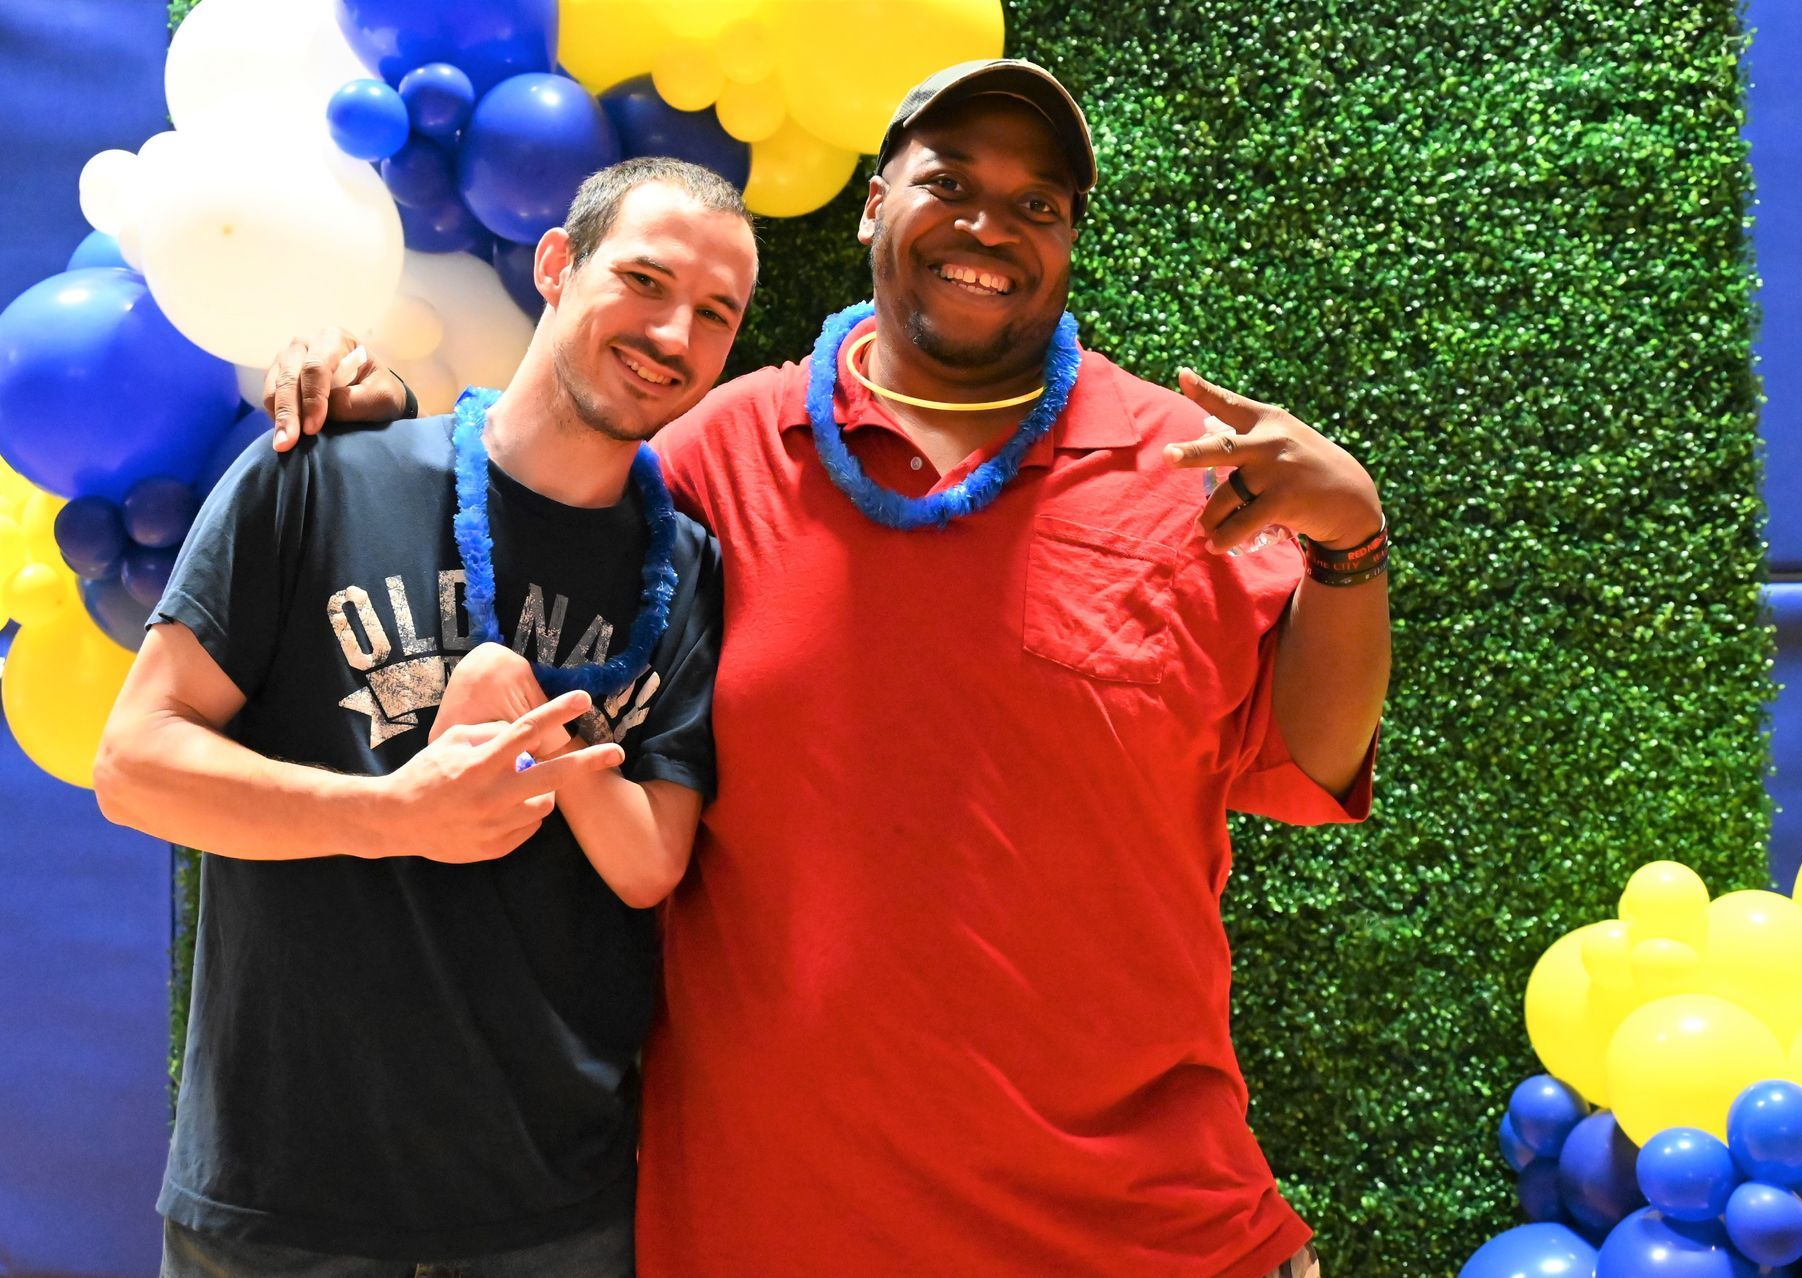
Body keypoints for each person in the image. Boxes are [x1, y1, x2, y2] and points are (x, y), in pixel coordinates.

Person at [282, 59, 1384, 1278]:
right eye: (951, 181)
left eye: (1039, 205)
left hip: (1137, 1231)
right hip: (785, 1224)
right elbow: (537, 482)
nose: (990, 227)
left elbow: (1310, 761)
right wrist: (395, 414)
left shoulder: (1175, 466)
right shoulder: (725, 452)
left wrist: (1355, 545)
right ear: (874, 202)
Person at [92, 157, 757, 1275]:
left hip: (552, 1213)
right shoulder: (319, 476)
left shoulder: (684, 571)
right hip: (278, 1202)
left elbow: (657, 862)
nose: (673, 334)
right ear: (556, 264)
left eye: (714, 314)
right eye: (644, 281)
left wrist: (553, 741)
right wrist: (395, 813)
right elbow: (136, 767)